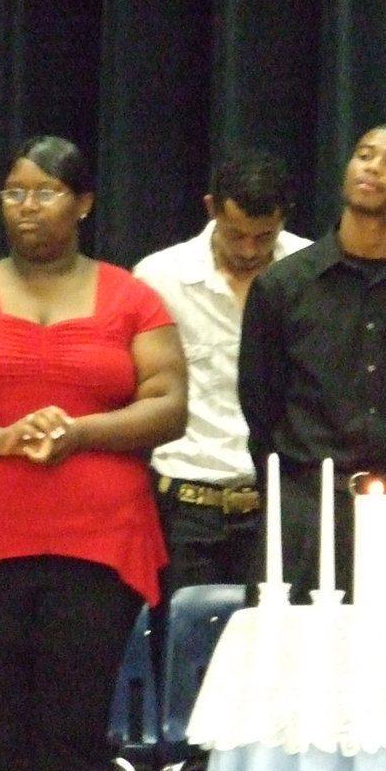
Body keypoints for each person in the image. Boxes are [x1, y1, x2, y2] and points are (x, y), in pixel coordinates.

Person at [0, 135, 186, 771]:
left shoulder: (132, 297)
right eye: (18, 193)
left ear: (82, 203)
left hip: (98, 545)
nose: (28, 209)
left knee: (72, 735)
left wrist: (81, 432)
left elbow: (169, 406)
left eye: (47, 193)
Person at [238, 122, 386, 604]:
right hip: (306, 505)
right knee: (292, 662)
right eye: (364, 155)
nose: (373, 166)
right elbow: (260, 400)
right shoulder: (283, 286)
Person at [133, 146, 310, 629]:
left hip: (277, 500)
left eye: (264, 237)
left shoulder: (309, 271)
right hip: (185, 505)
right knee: (183, 657)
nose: (250, 250)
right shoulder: (159, 277)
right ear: (211, 208)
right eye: (237, 235)